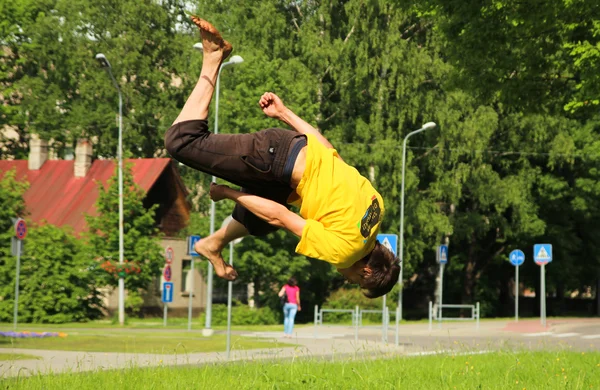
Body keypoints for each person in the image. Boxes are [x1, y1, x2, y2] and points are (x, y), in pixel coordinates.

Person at [164, 17, 400, 298]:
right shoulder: (344, 251)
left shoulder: (376, 209)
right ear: (367, 271)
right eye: (358, 283)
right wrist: (226, 193)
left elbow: (328, 151)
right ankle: (213, 58)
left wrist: (285, 113)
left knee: (258, 221)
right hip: (274, 157)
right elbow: (279, 217)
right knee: (180, 142)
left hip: (293, 159)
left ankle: (213, 244)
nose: (348, 281)